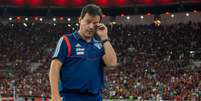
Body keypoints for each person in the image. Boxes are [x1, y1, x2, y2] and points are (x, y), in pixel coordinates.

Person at [49, 4, 117, 101]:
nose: (90, 26)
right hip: (71, 97)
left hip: (95, 97)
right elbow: (54, 68)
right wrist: (55, 95)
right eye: (88, 21)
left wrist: (104, 38)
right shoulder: (66, 40)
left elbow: (112, 63)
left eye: (95, 23)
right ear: (80, 19)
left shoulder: (100, 45)